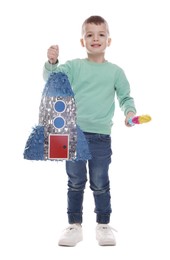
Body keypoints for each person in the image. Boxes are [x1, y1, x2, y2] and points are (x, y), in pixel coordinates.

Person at [43, 15, 136, 246]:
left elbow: (125, 97)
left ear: (109, 41)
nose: (96, 39)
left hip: (101, 137)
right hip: (72, 134)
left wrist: (129, 113)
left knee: (100, 181)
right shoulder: (74, 66)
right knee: (75, 181)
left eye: (101, 34)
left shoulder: (115, 72)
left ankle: (103, 225)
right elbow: (52, 80)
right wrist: (52, 63)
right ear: (83, 41)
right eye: (90, 35)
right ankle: (74, 225)